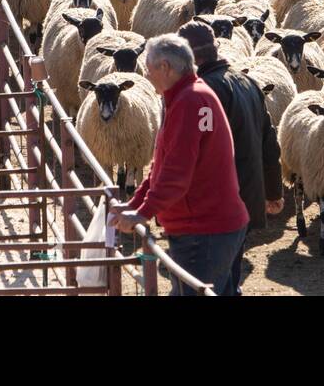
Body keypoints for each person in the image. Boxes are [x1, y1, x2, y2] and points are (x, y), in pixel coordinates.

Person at [112, 34, 250, 296]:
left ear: (165, 67)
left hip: (204, 231)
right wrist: (134, 205)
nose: (146, 75)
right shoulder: (187, 97)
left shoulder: (189, 101)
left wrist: (143, 213)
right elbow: (161, 168)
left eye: (149, 68)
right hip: (210, 226)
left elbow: (176, 173)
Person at [177, 22, 282, 296]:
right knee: (228, 276)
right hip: (246, 197)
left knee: (213, 283)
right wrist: (272, 191)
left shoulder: (204, 92)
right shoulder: (247, 82)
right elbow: (269, 142)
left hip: (217, 204)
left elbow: (196, 149)